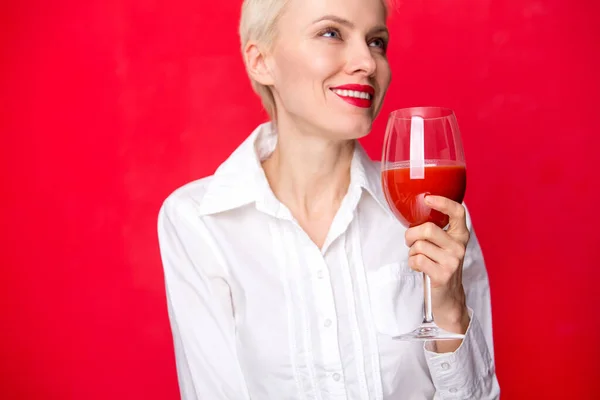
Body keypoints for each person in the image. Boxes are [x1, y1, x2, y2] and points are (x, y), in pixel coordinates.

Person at [157, 0, 500, 398]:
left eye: (376, 41)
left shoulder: (434, 216)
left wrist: (450, 307)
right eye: (331, 33)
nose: (368, 63)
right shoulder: (199, 221)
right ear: (260, 61)